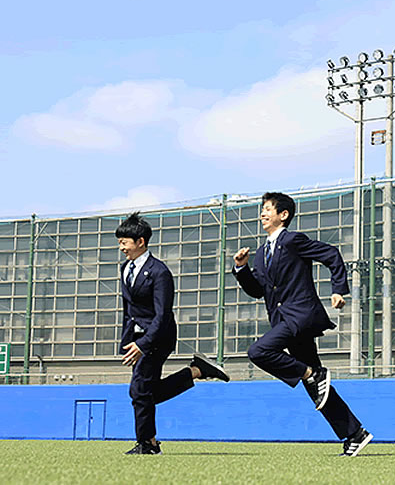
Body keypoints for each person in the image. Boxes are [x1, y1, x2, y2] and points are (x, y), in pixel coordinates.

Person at [232, 192, 373, 457]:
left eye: (267, 209)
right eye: (261, 210)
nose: (262, 214)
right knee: (315, 386)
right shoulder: (262, 253)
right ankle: (355, 433)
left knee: (258, 352)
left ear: (283, 215)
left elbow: (331, 254)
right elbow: (258, 291)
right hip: (283, 320)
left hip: (301, 317)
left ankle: (313, 374)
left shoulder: (293, 240)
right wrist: (241, 269)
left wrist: (339, 290)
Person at [117, 212, 230, 455]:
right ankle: (197, 371)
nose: (122, 247)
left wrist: (144, 344)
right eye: (120, 242)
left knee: (139, 391)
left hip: (159, 337)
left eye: (125, 241)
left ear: (141, 242)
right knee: (145, 392)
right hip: (137, 339)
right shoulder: (125, 268)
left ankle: (148, 443)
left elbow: (162, 314)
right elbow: (129, 309)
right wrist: (128, 341)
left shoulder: (159, 272)